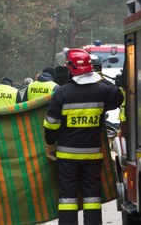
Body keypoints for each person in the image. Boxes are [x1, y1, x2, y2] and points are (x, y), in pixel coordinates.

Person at [43, 48, 123, 225]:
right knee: (92, 196)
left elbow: (51, 124)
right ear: (90, 68)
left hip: (66, 157)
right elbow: (119, 96)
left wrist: (50, 144)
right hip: (92, 156)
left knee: (67, 199)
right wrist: (100, 78)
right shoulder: (101, 90)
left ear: (71, 68)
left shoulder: (62, 93)